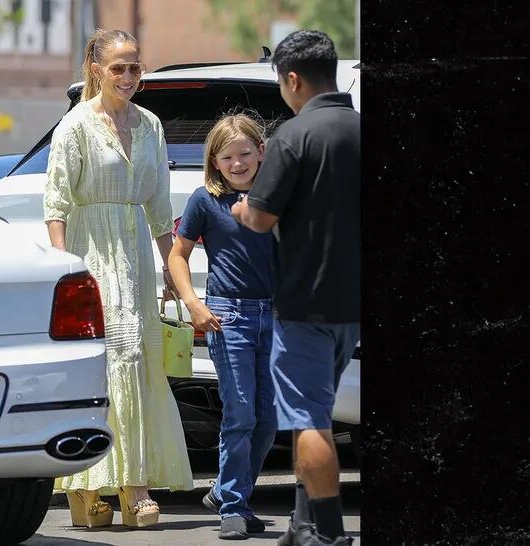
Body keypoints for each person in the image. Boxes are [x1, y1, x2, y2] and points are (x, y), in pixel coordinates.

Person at [43, 28, 193, 529]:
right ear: (95, 69)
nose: (129, 76)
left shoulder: (150, 125)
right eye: (118, 67)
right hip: (91, 255)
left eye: (135, 67)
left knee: (140, 361)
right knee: (102, 364)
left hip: (135, 253)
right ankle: (89, 487)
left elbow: (158, 208)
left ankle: (134, 485)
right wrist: (64, 273)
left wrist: (173, 270)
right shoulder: (76, 126)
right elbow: (57, 204)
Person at [231, 30, 360, 546]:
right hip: (350, 305)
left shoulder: (294, 135)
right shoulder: (359, 129)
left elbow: (259, 218)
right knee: (321, 413)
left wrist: (241, 208)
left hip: (304, 303)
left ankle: (328, 534)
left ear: (291, 79)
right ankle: (301, 525)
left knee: (308, 421)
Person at [168, 113, 277, 540]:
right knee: (241, 413)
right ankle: (234, 505)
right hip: (228, 316)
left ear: (261, 153)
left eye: (245, 154)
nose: (237, 163)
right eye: (226, 157)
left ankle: (224, 489)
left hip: (278, 316)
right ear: (214, 161)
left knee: (268, 418)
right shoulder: (204, 199)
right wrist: (193, 303)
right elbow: (178, 256)